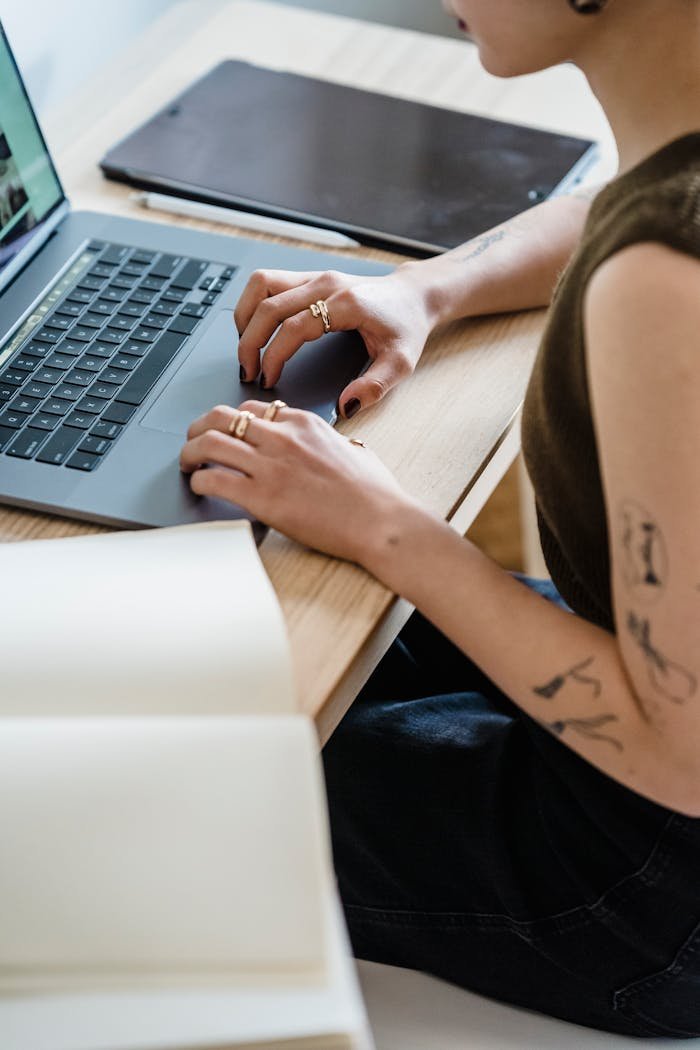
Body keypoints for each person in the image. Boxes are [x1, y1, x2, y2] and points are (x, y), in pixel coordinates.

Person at [179, 0, 700, 1036]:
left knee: (127, 794)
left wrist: (386, 520)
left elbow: (682, 753)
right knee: (244, 650)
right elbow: (631, 199)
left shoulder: (666, 288)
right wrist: (429, 287)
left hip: (638, 889)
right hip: (637, 753)